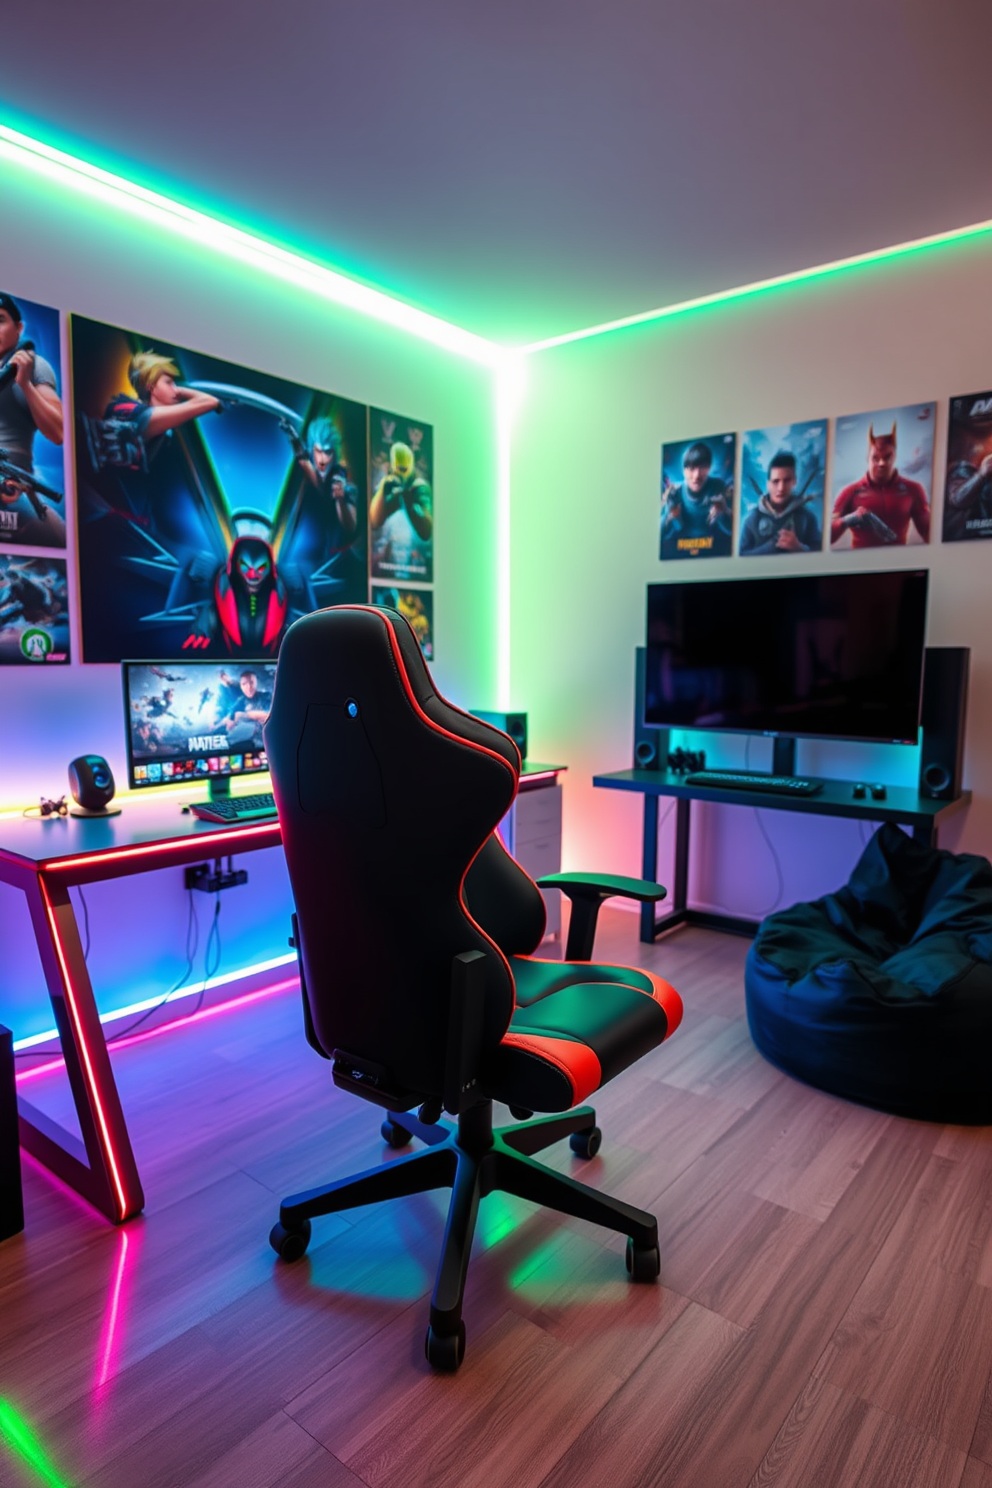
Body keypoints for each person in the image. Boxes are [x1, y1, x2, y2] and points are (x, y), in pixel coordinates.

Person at [0, 293, 67, 545]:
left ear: (19, 328)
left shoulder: (32, 365)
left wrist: (25, 384)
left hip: (12, 480)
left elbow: (58, 432)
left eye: (0, 320)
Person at [831, 423, 930, 547]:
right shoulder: (849, 491)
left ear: (895, 457)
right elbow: (826, 538)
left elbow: (930, 535)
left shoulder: (913, 489)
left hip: (899, 563)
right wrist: (847, 520)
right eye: (875, 458)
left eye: (887, 457)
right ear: (868, 458)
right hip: (859, 563)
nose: (882, 463)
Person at [739, 451, 821, 555]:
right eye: (775, 481)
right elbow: (742, 556)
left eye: (786, 480)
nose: (781, 488)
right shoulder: (752, 519)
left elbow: (819, 554)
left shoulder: (808, 517)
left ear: (794, 481)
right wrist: (770, 547)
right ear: (768, 484)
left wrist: (799, 547)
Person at [660, 442, 732, 559]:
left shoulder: (718, 488)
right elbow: (661, 534)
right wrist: (669, 518)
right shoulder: (675, 493)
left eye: (702, 467)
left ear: (709, 468)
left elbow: (732, 530)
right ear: (684, 470)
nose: (696, 475)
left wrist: (724, 512)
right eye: (691, 468)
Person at [370, 441, 433, 576]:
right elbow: (374, 521)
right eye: (399, 468)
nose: (401, 473)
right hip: (389, 566)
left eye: (404, 469)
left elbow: (426, 530)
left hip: (414, 565)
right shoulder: (387, 483)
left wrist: (409, 503)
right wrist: (383, 491)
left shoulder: (420, 487)